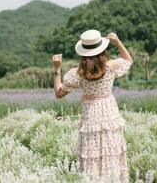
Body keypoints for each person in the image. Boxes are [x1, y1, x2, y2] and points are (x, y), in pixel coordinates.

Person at [52, 30, 133, 182]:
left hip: (90, 115)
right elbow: (128, 60)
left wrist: (57, 68)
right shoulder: (111, 67)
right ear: (102, 49)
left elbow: (59, 93)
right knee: (112, 151)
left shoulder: (77, 74)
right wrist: (118, 42)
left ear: (83, 52)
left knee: (92, 154)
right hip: (109, 112)